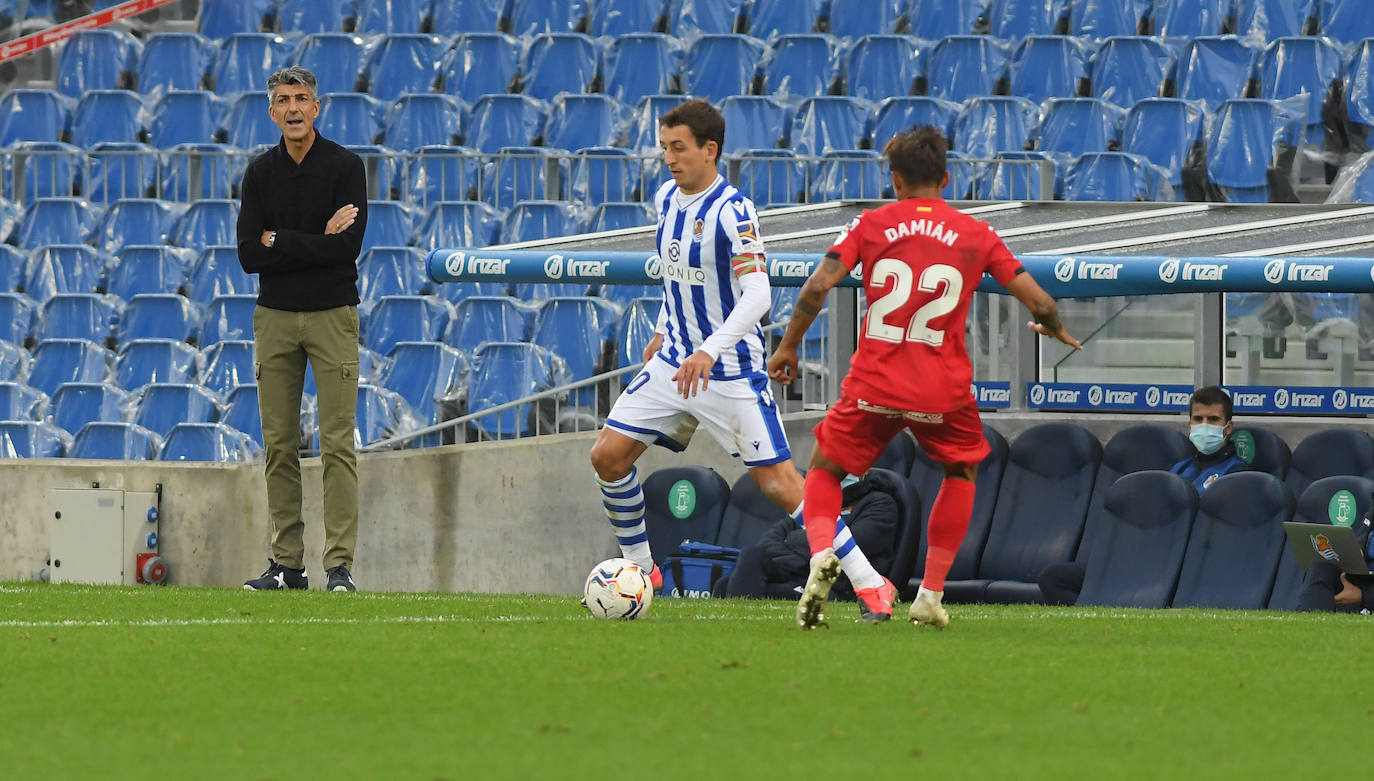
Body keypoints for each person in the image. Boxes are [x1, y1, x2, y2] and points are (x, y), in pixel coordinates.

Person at [588, 99, 897, 621]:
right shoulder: (666, 198)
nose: (669, 158)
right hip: (673, 364)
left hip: (728, 371)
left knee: (781, 486)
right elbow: (675, 276)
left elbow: (757, 296)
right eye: (664, 148)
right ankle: (642, 574)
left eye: (679, 148)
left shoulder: (734, 211)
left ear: (710, 150)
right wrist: (665, 329)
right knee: (608, 457)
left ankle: (872, 585)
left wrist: (710, 349)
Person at [767, 126, 1081, 630]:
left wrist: (787, 346)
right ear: (947, 178)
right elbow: (1041, 301)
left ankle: (821, 555)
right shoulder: (977, 233)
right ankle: (930, 595)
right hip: (942, 388)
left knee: (824, 471)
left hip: (874, 382)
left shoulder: (870, 224)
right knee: (960, 473)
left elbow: (817, 285)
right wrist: (1054, 327)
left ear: (895, 180)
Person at [236, 66, 368, 592]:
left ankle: (338, 566)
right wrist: (314, 237)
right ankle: (288, 565)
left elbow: (347, 249)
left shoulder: (345, 166)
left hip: (333, 314)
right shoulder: (258, 174)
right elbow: (248, 255)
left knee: (337, 445)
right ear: (272, 112)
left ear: (317, 108)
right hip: (273, 318)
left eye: (302, 99)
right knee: (279, 445)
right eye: (284, 100)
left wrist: (278, 241)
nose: (293, 108)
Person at [1038, 385, 1251, 606]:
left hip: (1185, 568)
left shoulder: (1237, 474)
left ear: (1228, 428)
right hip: (1144, 558)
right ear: (1189, 424)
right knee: (1054, 578)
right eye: (1198, 419)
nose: (1204, 426)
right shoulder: (1178, 469)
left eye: (1213, 419)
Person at [723, 472, 900, 601]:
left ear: (864, 469)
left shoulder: (880, 503)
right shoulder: (816, 501)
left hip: (836, 586)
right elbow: (768, 541)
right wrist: (806, 557)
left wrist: (792, 540)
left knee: (736, 587)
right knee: (749, 556)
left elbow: (852, 544)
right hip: (798, 572)